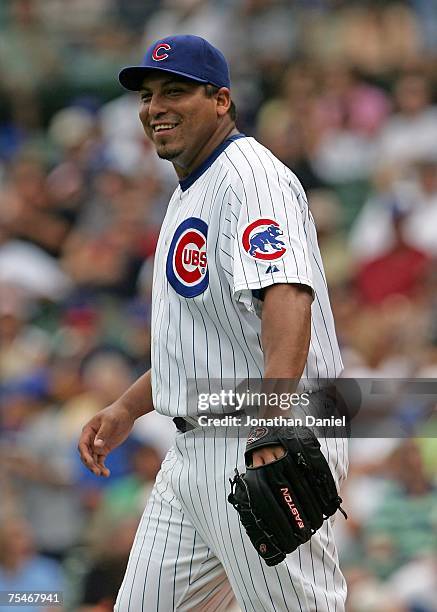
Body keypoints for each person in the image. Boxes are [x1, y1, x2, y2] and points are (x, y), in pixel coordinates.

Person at [78, 34, 348, 611]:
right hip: (193, 451)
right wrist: (128, 407)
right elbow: (203, 340)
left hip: (258, 436)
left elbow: (287, 299)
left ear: (221, 100)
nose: (155, 107)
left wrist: (272, 424)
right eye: (147, 95)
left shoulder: (252, 178)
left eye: (175, 91)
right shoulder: (190, 189)